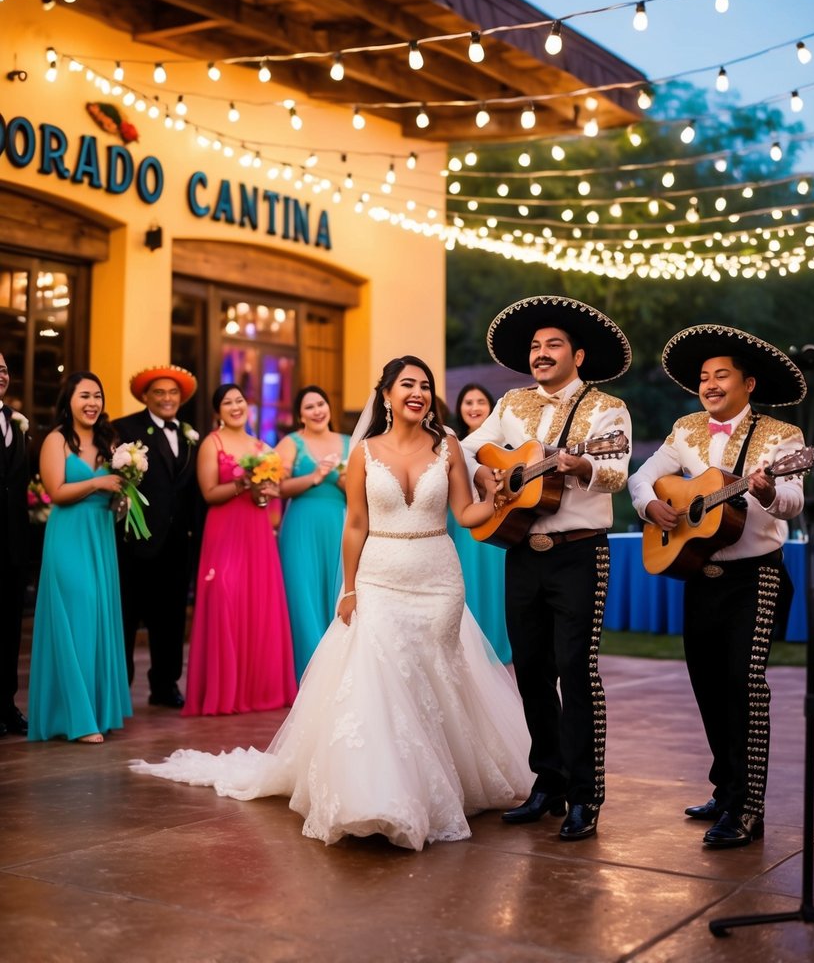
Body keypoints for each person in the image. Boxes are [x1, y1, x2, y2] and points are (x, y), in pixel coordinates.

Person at [131, 355, 532, 851]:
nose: (419, 392)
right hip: (379, 576)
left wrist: (498, 499)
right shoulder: (363, 451)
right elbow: (356, 524)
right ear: (385, 394)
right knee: (381, 675)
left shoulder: (448, 445)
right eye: (407, 384)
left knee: (432, 675)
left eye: (425, 385)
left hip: (438, 578)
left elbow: (465, 513)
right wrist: (349, 587)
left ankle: (443, 777)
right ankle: (381, 793)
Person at [628, 324, 807, 849]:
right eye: (704, 377)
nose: (708, 384)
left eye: (720, 375)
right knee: (707, 686)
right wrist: (650, 506)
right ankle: (725, 788)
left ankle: (748, 808)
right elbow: (643, 477)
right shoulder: (686, 429)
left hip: (758, 576)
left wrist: (771, 488)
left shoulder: (782, 438)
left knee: (744, 688)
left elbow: (793, 502)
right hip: (699, 573)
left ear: (748, 383)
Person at [462, 296, 632, 841]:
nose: (540, 353)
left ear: (577, 354)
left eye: (552, 344)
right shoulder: (512, 402)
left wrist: (583, 462)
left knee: (576, 671)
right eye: (535, 346)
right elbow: (469, 451)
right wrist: (491, 479)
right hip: (521, 550)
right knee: (531, 670)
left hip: (580, 552)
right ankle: (548, 782)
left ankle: (586, 795)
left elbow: (617, 472)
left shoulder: (607, 410)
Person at [28, 373, 132, 743]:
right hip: (68, 535)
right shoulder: (55, 440)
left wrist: (123, 497)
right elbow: (55, 491)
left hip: (100, 535)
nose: (92, 402)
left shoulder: (110, 441)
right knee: (77, 612)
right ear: (68, 400)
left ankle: (95, 710)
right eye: (84, 395)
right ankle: (78, 717)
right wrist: (97, 483)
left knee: (98, 615)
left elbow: (117, 490)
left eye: (98, 396)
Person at [184, 384, 296, 715]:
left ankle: (259, 690)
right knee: (225, 597)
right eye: (227, 403)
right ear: (218, 411)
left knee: (257, 603)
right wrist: (243, 482)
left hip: (257, 532)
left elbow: (267, 498)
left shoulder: (263, 447)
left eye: (240, 401)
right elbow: (208, 493)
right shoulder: (212, 444)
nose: (235, 407)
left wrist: (263, 492)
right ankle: (224, 692)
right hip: (224, 531)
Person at [114, 365, 200, 708]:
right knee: (127, 616)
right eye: (160, 393)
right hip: (136, 540)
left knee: (172, 618)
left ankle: (165, 686)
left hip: (178, 542)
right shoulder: (125, 428)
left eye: (173, 393)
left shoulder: (192, 434)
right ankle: (121, 688)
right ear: (146, 397)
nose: (167, 398)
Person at [274, 385, 348, 680]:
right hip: (301, 527)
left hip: (339, 525)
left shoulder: (348, 441)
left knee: (338, 595)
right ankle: (308, 675)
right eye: (309, 407)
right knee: (301, 595)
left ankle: (338, 674)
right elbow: (278, 488)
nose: (317, 411)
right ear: (300, 416)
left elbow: (362, 491)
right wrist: (314, 476)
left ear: (329, 407)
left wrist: (342, 480)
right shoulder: (291, 443)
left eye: (321, 404)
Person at [448, 383, 511, 662]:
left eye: (480, 402)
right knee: (468, 584)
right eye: (468, 402)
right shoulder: (452, 448)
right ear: (459, 409)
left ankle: (500, 644)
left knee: (498, 586)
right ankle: (470, 648)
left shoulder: (509, 449)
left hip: (501, 526)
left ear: (492, 407)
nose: (474, 408)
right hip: (464, 528)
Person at [0, 352, 30, 736]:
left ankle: (7, 705)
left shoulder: (16, 422)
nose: (1, 376)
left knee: (9, 631)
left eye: (4, 370)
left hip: (13, 544)